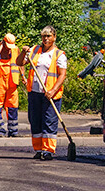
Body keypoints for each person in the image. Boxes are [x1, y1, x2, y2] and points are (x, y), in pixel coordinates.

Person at [16, 25, 67, 161]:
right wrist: (23, 52)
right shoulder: (34, 50)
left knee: (49, 121)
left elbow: (62, 75)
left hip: (50, 94)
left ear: (54, 37)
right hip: (34, 92)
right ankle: (38, 149)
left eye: (48, 36)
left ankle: (48, 150)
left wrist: (53, 90)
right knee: (35, 121)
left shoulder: (59, 54)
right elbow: (19, 62)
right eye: (44, 36)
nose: (46, 39)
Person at [0, 33, 22, 137]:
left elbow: (20, 63)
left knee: (13, 105)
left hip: (12, 81)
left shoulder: (15, 49)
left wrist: (23, 76)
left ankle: (13, 131)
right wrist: (1, 46)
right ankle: (0, 131)